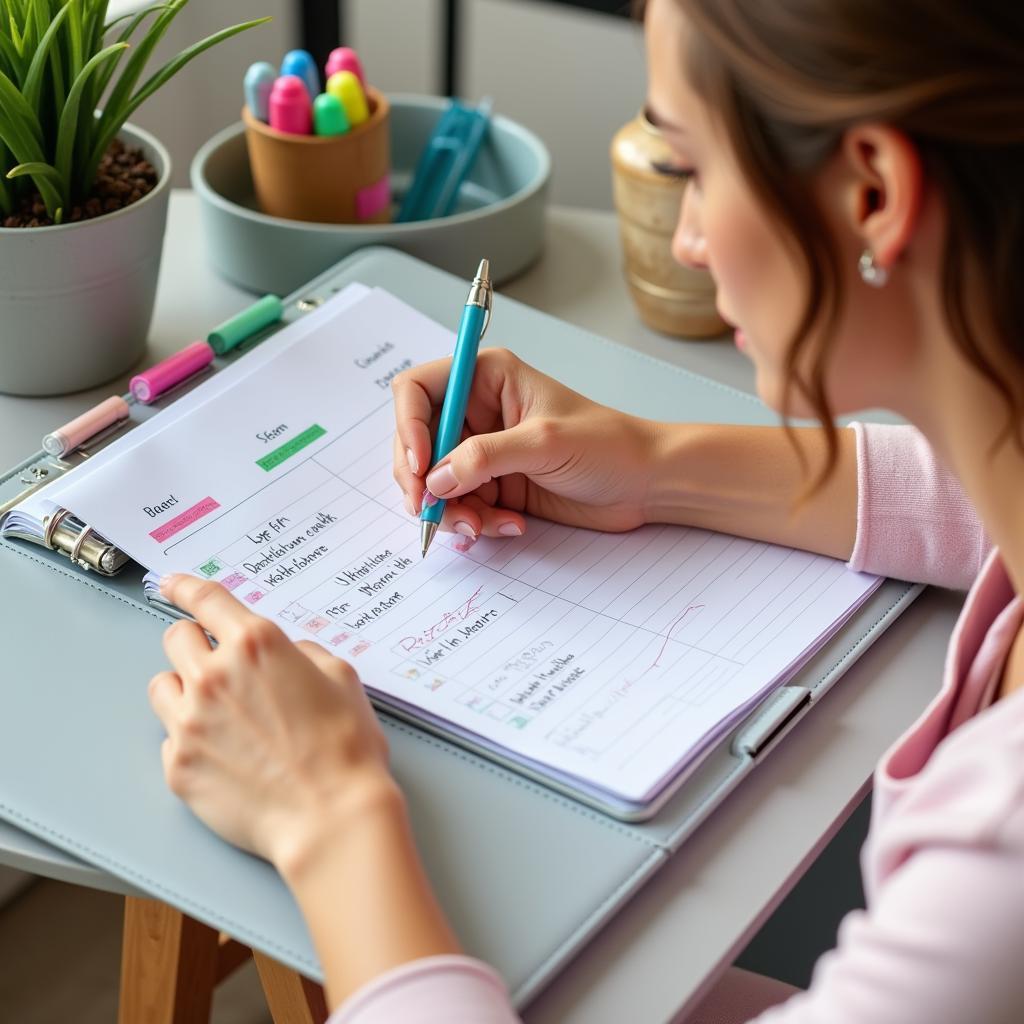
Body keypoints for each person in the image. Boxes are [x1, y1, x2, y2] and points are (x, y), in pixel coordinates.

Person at [147, 0, 1024, 1019]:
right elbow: (963, 488)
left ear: (873, 191)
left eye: (693, 167)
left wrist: (328, 815)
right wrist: (651, 463)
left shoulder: (997, 861)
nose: (687, 240)